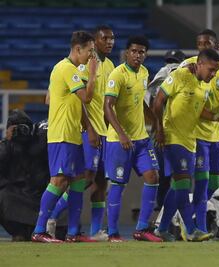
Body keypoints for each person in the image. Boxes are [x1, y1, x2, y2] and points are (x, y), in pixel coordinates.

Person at [47, 25, 115, 241]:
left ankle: (94, 231)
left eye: (112, 39)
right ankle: (52, 218)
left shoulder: (110, 65)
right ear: (93, 43)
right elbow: (81, 99)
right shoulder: (82, 67)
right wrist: (90, 127)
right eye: (105, 39)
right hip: (87, 130)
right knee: (84, 178)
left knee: (100, 182)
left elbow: (105, 100)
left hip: (103, 131)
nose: (110, 42)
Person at [31, 30, 98, 243]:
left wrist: (88, 128)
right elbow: (86, 98)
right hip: (62, 135)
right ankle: (39, 230)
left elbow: (49, 99)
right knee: (59, 181)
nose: (91, 56)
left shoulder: (65, 69)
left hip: (73, 135)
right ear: (78, 49)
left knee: (78, 180)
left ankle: (72, 233)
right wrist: (93, 73)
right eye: (89, 51)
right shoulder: (67, 69)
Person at [153, 48, 219, 241]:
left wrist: (217, 117)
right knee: (183, 184)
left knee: (178, 186)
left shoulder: (206, 85)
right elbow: (158, 101)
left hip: (190, 139)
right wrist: (159, 129)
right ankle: (192, 230)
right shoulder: (180, 75)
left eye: (216, 71)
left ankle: (161, 229)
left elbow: (199, 110)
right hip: (172, 136)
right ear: (199, 64)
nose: (213, 74)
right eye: (210, 69)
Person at [104, 35, 161, 242]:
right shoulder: (117, 75)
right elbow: (107, 106)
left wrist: (153, 118)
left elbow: (139, 102)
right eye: (134, 51)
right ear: (127, 52)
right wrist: (121, 134)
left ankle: (142, 229)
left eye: (142, 52)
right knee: (118, 185)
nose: (138, 55)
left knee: (153, 176)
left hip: (141, 139)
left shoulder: (144, 73)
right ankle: (112, 232)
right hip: (119, 141)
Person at [180, 29, 219, 234]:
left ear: (215, 44)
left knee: (214, 182)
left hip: (216, 134)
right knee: (200, 185)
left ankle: (186, 216)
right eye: (200, 43)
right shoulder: (191, 66)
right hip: (197, 133)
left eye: (208, 43)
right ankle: (198, 228)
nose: (204, 46)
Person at [145, 49, 186, 209]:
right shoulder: (162, 77)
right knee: (164, 176)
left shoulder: (186, 79)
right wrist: (156, 128)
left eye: (174, 61)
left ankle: (174, 214)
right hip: (163, 133)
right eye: (169, 61)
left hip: (182, 134)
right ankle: (163, 212)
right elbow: (150, 98)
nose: (172, 65)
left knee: (180, 177)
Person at [0, 111, 49, 241]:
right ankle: (19, 233)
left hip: (43, 200)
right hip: (17, 199)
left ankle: (36, 232)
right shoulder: (7, 146)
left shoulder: (43, 139)